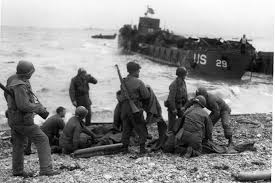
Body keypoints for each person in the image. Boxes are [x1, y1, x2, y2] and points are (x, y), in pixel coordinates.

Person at [5, 60, 58, 177]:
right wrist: (38, 108)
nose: (31, 75)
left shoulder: (12, 79)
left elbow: (9, 98)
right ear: (25, 73)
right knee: (42, 139)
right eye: (30, 72)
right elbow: (23, 106)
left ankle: (17, 171)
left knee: (18, 143)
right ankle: (46, 169)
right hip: (22, 121)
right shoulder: (19, 86)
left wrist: (12, 108)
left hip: (13, 118)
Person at [119, 61, 150, 154]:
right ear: (134, 71)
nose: (139, 72)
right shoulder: (139, 82)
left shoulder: (123, 81)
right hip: (135, 108)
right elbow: (146, 96)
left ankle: (125, 149)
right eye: (138, 71)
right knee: (141, 127)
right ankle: (142, 149)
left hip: (124, 108)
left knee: (126, 128)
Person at [165, 67, 188, 133]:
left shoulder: (183, 82)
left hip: (180, 106)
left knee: (183, 121)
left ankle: (178, 135)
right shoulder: (174, 84)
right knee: (171, 126)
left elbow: (186, 95)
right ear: (182, 75)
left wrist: (185, 106)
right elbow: (171, 98)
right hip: (173, 106)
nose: (185, 76)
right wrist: (173, 109)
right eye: (185, 74)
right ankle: (169, 139)